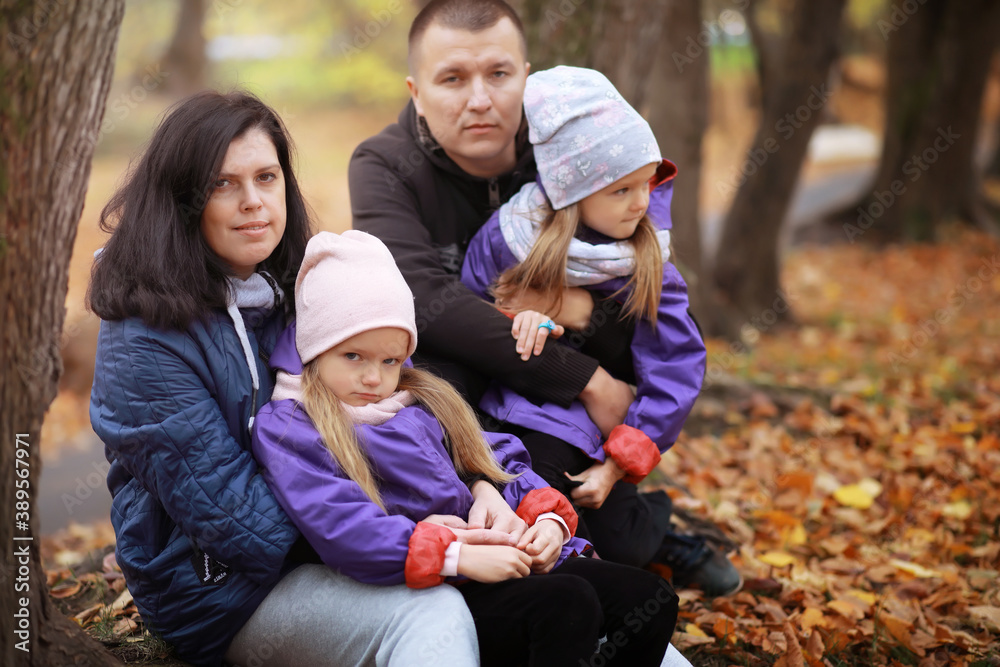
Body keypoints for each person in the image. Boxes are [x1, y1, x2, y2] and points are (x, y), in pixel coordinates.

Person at [349, 0, 739, 596]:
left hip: (567, 404)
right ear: (417, 91)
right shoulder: (384, 165)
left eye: (499, 75)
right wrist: (584, 376)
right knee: (436, 384)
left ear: (526, 76)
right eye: (452, 78)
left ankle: (648, 535)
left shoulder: (573, 149)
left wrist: (582, 314)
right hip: (472, 383)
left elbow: (646, 300)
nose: (480, 99)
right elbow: (422, 300)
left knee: (611, 527)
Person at [88, 91, 483, 667]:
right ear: (180, 199)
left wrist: (482, 487)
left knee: (553, 594)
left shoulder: (293, 289)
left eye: (266, 177)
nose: (253, 202)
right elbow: (233, 518)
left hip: (352, 539)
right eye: (222, 184)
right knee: (434, 610)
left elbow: (401, 405)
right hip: (224, 592)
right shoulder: (142, 338)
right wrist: (413, 538)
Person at [251, 229, 677, 667]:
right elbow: (343, 527)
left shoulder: (421, 400)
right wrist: (457, 555)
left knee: (650, 599)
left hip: (491, 553)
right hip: (425, 579)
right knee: (567, 604)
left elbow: (497, 458)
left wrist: (546, 520)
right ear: (316, 348)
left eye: (390, 360)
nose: (375, 378)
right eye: (353, 356)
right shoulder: (293, 425)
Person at [458, 66, 741, 597]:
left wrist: (619, 463)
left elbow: (676, 365)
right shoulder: (511, 238)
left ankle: (652, 541)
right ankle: (573, 603)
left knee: (623, 538)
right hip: (513, 413)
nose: (640, 203)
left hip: (597, 431)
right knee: (537, 513)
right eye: (620, 190)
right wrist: (509, 321)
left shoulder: (647, 259)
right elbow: (468, 307)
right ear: (572, 191)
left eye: (646, 183)